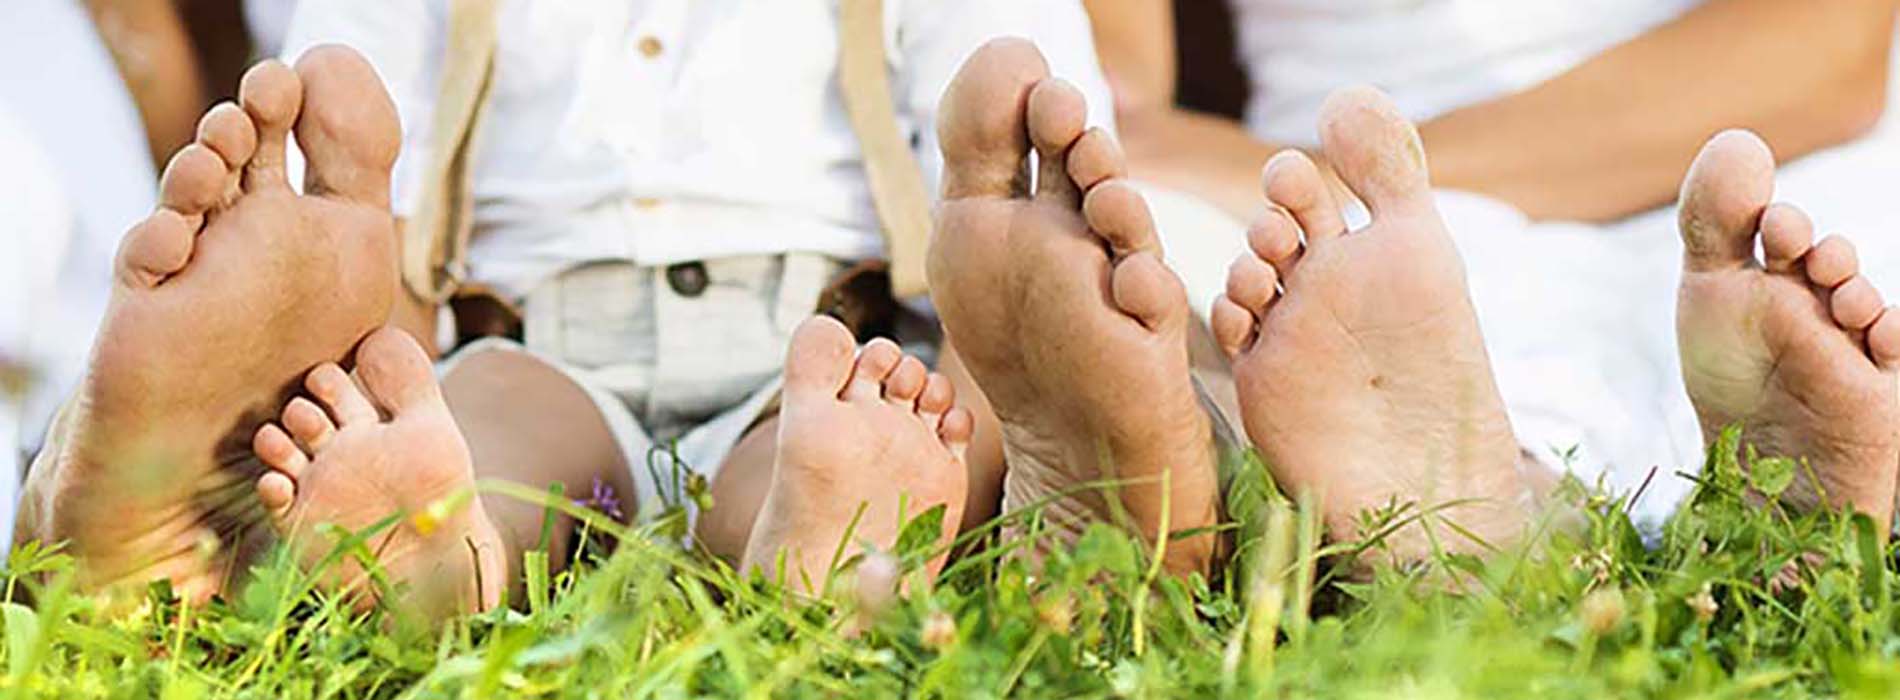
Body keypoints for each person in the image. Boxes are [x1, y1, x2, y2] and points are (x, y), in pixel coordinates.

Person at [1086, 0, 1900, 528]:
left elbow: (1832, 46)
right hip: (1332, 217)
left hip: (1766, 145)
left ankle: (1446, 513)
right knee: (1161, 272)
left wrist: (1373, 176)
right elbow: (1113, 88)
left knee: (1831, 282)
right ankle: (1497, 515)